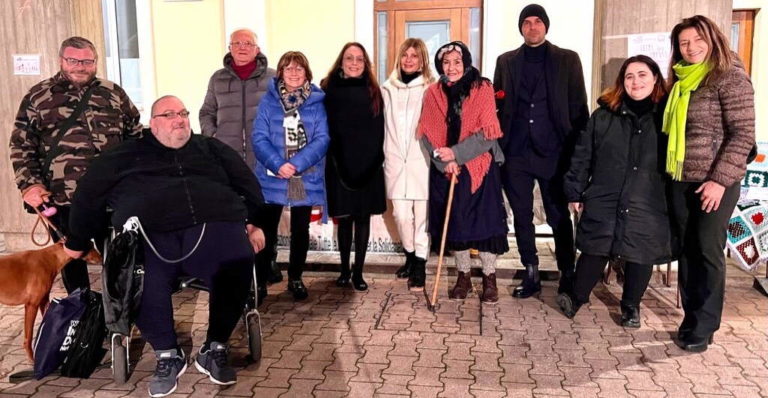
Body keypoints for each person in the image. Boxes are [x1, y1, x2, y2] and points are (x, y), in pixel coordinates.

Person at [63, 95, 267, 397]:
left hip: (212, 230)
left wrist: (255, 222)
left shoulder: (210, 149)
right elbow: (88, 196)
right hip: (150, 235)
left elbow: (248, 184)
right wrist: (77, 241)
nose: (180, 119)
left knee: (237, 256)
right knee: (140, 274)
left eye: (183, 113)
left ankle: (215, 347)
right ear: (153, 124)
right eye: (169, 114)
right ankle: (167, 354)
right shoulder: (124, 154)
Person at [9, 36, 141, 294]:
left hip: (111, 196)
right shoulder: (39, 96)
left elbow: (135, 137)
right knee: (71, 259)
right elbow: (21, 145)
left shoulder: (113, 94)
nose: (81, 66)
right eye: (73, 61)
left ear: (95, 62)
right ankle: (80, 316)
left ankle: (118, 317)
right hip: (62, 197)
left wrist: (135, 177)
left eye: (87, 61)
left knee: (118, 257)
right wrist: (30, 185)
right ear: (61, 61)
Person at [558, 55, 671, 327]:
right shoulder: (604, 114)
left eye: (643, 75)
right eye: (629, 76)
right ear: (622, 82)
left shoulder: (666, 115)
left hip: (648, 196)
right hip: (605, 193)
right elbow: (583, 154)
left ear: (655, 78)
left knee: (639, 252)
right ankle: (577, 297)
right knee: (596, 248)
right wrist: (574, 191)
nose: (636, 81)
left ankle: (631, 306)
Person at [666, 15, 755, 352]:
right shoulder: (680, 81)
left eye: (697, 40)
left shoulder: (730, 77)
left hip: (715, 181)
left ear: (712, 38)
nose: (691, 48)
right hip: (682, 178)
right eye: (684, 43)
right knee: (688, 251)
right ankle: (691, 318)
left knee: (707, 249)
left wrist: (719, 181)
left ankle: (705, 324)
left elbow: (743, 134)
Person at [493, 4, 589, 298]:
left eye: (537, 22)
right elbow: (497, 106)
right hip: (517, 152)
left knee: (558, 214)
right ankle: (531, 271)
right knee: (521, 216)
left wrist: (581, 155)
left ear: (545, 26)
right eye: (527, 23)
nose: (532, 27)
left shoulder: (567, 59)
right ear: (521, 28)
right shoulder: (506, 61)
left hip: (555, 152)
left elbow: (578, 108)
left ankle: (567, 272)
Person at [418, 41, 508, 304]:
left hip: (479, 166)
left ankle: (489, 278)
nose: (452, 67)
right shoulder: (432, 93)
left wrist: (457, 154)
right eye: (446, 62)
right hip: (446, 169)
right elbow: (427, 133)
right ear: (440, 66)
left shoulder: (482, 88)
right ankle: (463, 276)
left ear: (466, 62)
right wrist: (445, 161)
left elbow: (488, 133)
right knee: (456, 224)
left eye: (457, 61)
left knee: (486, 226)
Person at [199, 28, 282, 288]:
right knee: (235, 218)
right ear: (230, 47)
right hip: (228, 164)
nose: (242, 47)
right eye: (237, 43)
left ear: (257, 49)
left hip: (263, 162)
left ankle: (267, 265)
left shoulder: (272, 79)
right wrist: (214, 139)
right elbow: (206, 112)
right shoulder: (218, 79)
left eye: (248, 43)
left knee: (267, 217)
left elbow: (285, 114)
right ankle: (238, 270)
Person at [252, 51, 329, 301]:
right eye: (288, 68)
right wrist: (278, 164)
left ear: (307, 73)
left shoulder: (317, 102)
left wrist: (295, 164)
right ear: (280, 72)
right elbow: (259, 137)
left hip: (303, 177)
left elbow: (322, 139)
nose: (294, 73)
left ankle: (295, 278)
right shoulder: (268, 101)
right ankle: (261, 280)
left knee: (300, 230)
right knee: (266, 230)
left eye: (299, 68)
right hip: (272, 177)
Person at [321, 43, 386, 291]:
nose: (354, 62)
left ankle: (359, 272)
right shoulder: (328, 89)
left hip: (369, 165)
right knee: (344, 219)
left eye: (359, 58)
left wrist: (373, 162)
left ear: (365, 63)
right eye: (349, 58)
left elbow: (379, 130)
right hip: (339, 165)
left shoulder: (374, 91)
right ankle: (344, 270)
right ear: (341, 61)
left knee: (362, 219)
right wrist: (336, 162)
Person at [381, 38, 435, 290]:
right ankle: (411, 255)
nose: (409, 60)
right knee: (401, 215)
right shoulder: (386, 88)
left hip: (422, 161)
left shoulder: (431, 88)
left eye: (415, 55)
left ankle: (420, 265)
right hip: (394, 160)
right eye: (405, 55)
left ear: (423, 59)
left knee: (423, 218)